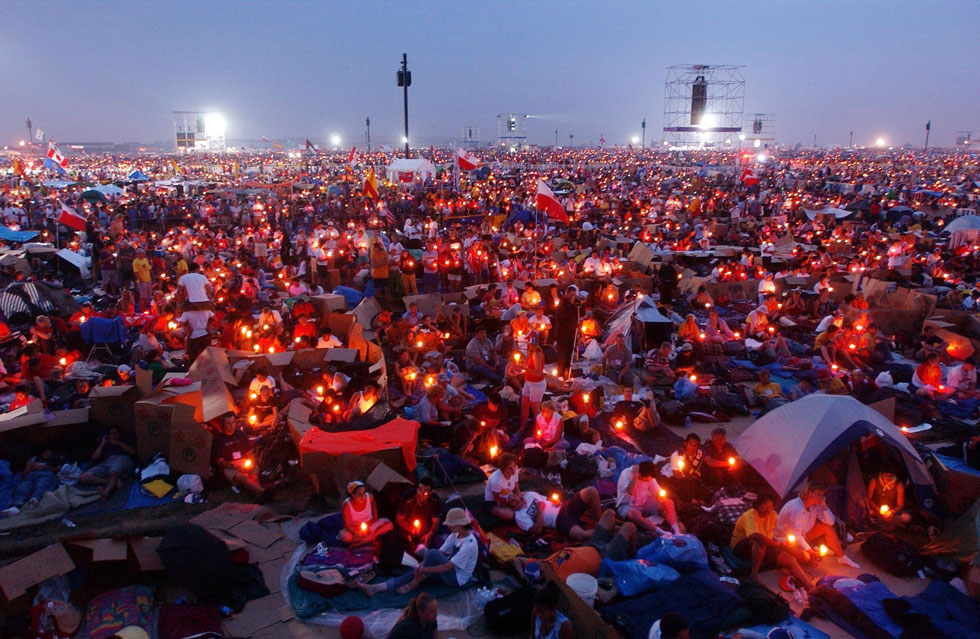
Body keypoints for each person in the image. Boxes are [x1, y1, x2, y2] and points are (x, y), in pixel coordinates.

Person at [359, 507, 478, 595]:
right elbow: (441, 552)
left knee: (430, 556)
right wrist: (421, 565)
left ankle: (414, 583)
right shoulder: (455, 535)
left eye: (451, 524)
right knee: (419, 569)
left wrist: (422, 569)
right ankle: (378, 588)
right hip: (449, 569)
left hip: (456, 578)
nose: (448, 527)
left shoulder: (469, 544)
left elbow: (447, 567)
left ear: (458, 525)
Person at [730, 494, 813, 590]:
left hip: (766, 545)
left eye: (770, 506)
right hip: (741, 546)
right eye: (765, 505)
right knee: (759, 542)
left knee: (794, 558)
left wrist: (788, 541)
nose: (768, 509)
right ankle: (754, 574)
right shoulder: (750, 515)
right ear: (758, 505)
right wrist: (778, 544)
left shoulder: (773, 515)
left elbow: (779, 531)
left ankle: (810, 587)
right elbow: (755, 536)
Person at [774, 481, 860, 569]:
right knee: (806, 557)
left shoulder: (816, 505)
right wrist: (809, 550)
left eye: (823, 495)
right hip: (786, 539)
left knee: (827, 527)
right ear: (810, 493)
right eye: (819, 495)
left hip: (803, 534)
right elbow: (796, 535)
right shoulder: (797, 508)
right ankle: (799, 551)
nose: (822, 498)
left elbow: (830, 522)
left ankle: (842, 557)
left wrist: (824, 506)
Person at [616, 461, 682, 535]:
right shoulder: (626, 473)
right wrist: (635, 475)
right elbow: (630, 491)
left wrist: (660, 499)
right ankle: (661, 532)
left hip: (643, 502)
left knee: (668, 502)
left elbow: (658, 491)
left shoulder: (649, 477)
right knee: (634, 514)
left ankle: (676, 530)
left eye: (647, 479)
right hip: (627, 505)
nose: (645, 480)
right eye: (643, 478)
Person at [515, 486, 602, 541]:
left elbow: (548, 499)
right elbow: (537, 531)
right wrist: (539, 511)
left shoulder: (529, 495)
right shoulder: (519, 516)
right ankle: (605, 531)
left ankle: (601, 522)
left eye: (514, 498)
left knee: (591, 491)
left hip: (565, 506)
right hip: (560, 520)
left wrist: (555, 501)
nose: (515, 502)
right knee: (580, 535)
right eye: (512, 503)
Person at [211, 413, 266, 498]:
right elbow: (220, 462)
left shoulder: (240, 434)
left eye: (233, 422)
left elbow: (249, 453)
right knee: (244, 477)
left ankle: (258, 493)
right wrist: (236, 467)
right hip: (230, 466)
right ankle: (262, 492)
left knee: (253, 475)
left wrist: (252, 463)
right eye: (229, 424)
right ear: (223, 425)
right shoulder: (219, 439)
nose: (232, 426)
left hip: (244, 462)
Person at [77, 426, 136, 500]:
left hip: (122, 459)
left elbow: (132, 452)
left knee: (113, 472)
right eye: (111, 433)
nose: (114, 435)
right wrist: (103, 443)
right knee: (82, 478)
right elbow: (94, 457)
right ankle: (113, 481)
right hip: (108, 461)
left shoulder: (123, 441)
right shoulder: (106, 445)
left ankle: (106, 492)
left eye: (116, 433)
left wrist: (118, 443)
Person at [340, 480, 394, 547]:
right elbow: (347, 525)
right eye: (359, 494)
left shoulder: (370, 497)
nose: (363, 496)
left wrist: (376, 520)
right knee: (347, 537)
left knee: (389, 524)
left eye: (364, 493)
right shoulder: (347, 505)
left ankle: (365, 540)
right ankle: (369, 538)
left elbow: (374, 505)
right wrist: (358, 533)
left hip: (370, 526)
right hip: (354, 529)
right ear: (352, 495)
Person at [395, 477, 442, 553]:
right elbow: (399, 519)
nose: (421, 494)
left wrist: (430, 533)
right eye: (420, 489)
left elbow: (436, 522)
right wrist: (410, 529)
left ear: (431, 492)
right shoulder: (407, 497)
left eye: (426, 491)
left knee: (436, 543)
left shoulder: (434, 500)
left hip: (426, 527)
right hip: (408, 525)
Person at [484, 452, 521, 521]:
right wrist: (512, 506)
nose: (513, 470)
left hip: (509, 495)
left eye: (514, 466)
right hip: (494, 502)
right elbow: (497, 500)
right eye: (510, 468)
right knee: (510, 514)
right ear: (503, 469)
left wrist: (519, 499)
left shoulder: (515, 472)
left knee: (527, 496)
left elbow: (516, 489)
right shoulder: (497, 481)